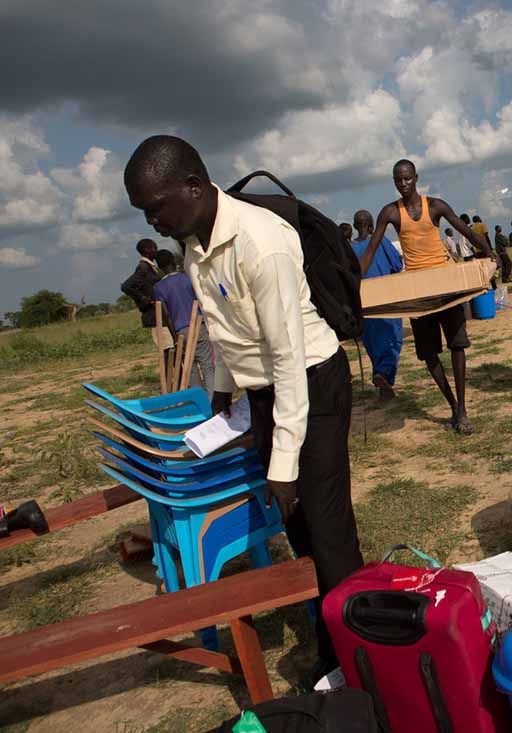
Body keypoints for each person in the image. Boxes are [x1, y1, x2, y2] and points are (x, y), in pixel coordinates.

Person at [124, 135, 362, 682]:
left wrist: (282, 466)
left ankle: (356, 658)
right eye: (144, 212)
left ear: (192, 185)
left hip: (311, 385)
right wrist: (222, 392)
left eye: (156, 207)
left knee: (327, 529)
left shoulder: (262, 242)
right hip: (264, 392)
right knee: (298, 528)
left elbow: (288, 360)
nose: (153, 221)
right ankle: (334, 646)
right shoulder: (194, 242)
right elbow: (226, 324)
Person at [359, 159, 494, 434]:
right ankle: (452, 403)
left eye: (407, 178)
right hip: (418, 292)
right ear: (394, 182)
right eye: (398, 180)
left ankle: (462, 409)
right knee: (429, 353)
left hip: (445, 286)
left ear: (416, 178)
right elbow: (371, 248)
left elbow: (463, 229)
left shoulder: (435, 206)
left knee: (458, 345)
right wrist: (354, 281)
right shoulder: (390, 213)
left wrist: (488, 252)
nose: (403, 183)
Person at [350, 209, 403, 401]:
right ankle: (383, 375)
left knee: (372, 343)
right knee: (392, 340)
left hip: (363, 304)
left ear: (355, 226)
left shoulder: (349, 248)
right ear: (372, 226)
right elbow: (397, 265)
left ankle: (381, 378)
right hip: (387, 299)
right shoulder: (381, 242)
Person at [153, 249, 216, 397]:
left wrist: (175, 337)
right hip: (198, 325)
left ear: (160, 268)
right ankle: (213, 401)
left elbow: (166, 314)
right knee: (207, 366)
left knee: (190, 368)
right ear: (174, 262)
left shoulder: (159, 287)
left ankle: (200, 402)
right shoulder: (188, 278)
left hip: (180, 330)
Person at [121, 238, 173, 373]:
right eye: (154, 248)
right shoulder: (143, 268)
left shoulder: (150, 267)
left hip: (160, 314)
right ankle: (169, 381)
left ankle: (172, 379)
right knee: (167, 348)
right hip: (154, 315)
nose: (156, 251)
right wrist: (144, 299)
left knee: (169, 348)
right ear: (147, 250)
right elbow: (126, 286)